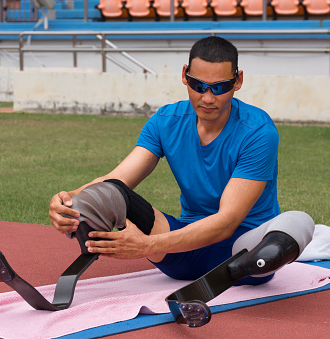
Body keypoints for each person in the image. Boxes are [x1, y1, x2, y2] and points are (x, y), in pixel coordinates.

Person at [49, 36, 314, 286]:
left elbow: (226, 223)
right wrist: (70, 202)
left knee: (299, 221)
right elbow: (116, 181)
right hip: (182, 253)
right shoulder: (166, 121)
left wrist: (146, 246)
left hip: (244, 255)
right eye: (199, 86)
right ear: (185, 76)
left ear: (238, 81)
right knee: (105, 195)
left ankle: (258, 258)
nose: (208, 98)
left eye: (220, 87)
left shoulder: (258, 132)